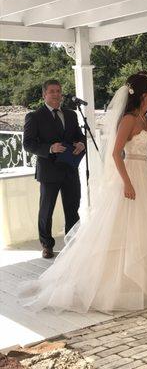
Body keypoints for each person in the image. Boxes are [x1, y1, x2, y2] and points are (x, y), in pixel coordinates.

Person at [20, 74, 147, 314]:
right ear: (143, 94)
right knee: (125, 229)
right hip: (131, 175)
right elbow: (115, 153)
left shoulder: (143, 116)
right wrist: (127, 183)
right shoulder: (129, 119)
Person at [23, 80, 85, 259]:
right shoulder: (34, 116)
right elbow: (28, 144)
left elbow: (79, 135)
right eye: (52, 91)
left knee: (73, 207)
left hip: (70, 169)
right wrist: (50, 148)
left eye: (58, 91)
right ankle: (47, 245)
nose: (56, 94)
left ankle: (72, 243)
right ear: (44, 95)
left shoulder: (71, 114)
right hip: (49, 171)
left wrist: (81, 142)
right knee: (46, 210)